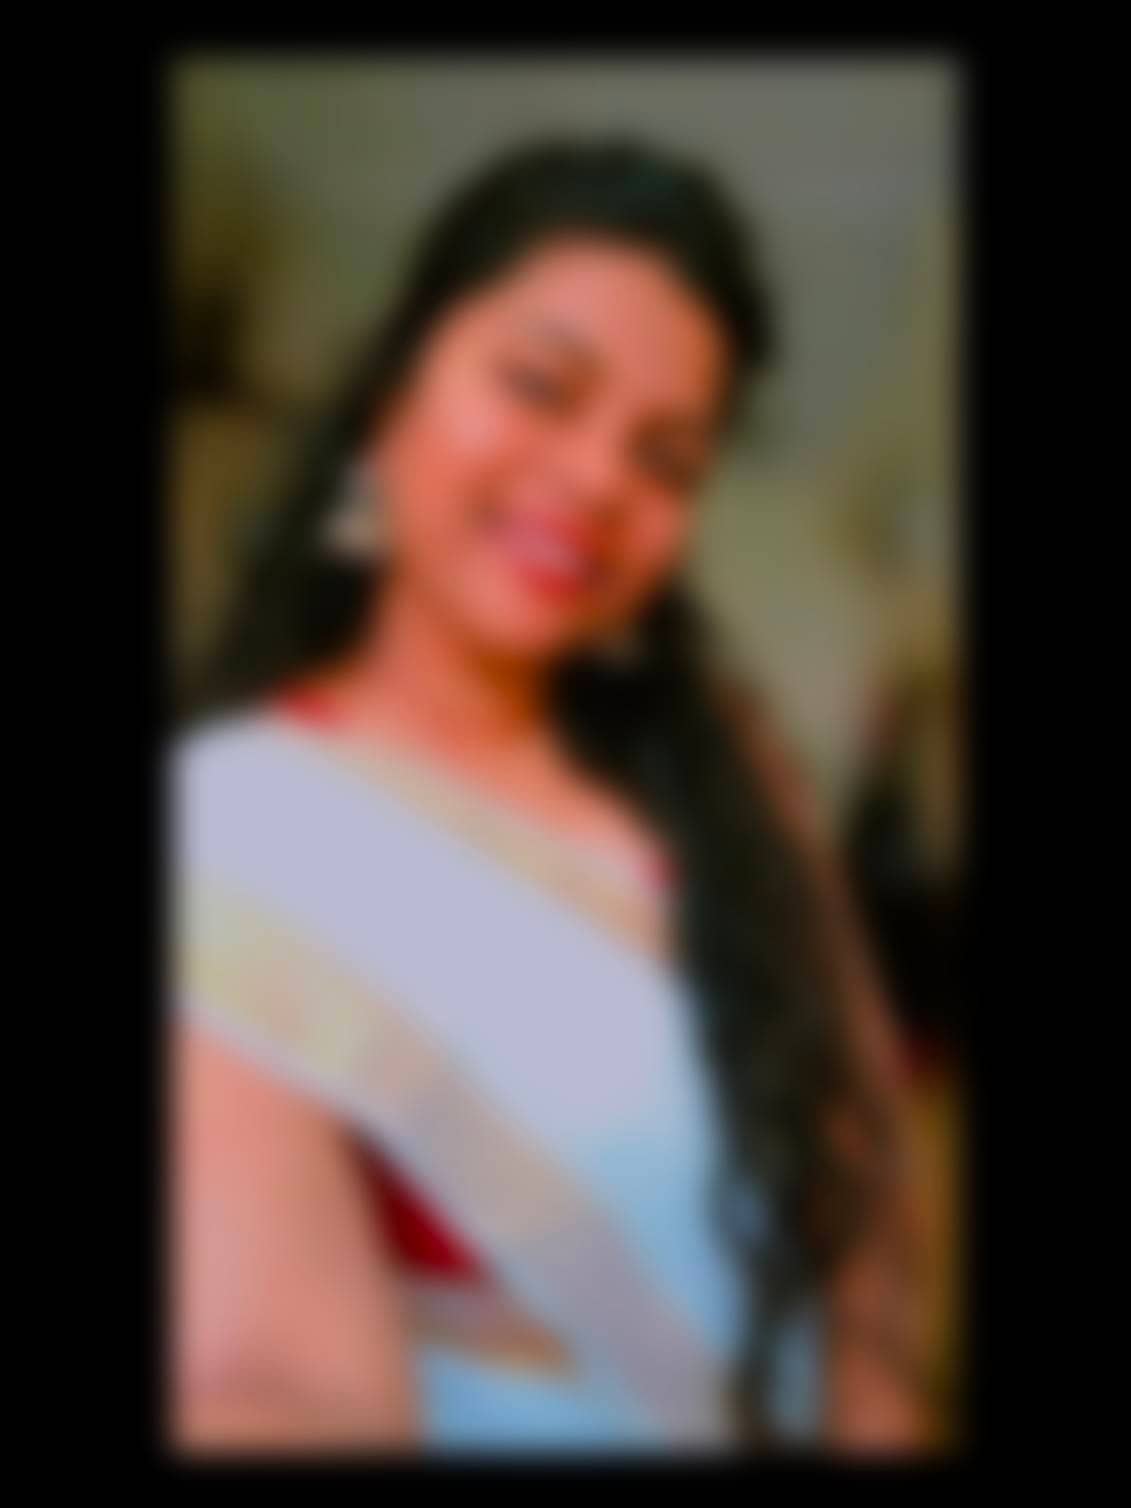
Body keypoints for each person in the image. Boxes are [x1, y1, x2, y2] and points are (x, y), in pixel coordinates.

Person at [171, 138, 931, 1454]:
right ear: (391, 392)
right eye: (540, 386)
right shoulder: (234, 820)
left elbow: (863, 1204)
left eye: (667, 459)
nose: (596, 482)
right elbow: (277, 1383)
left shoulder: (729, 775)